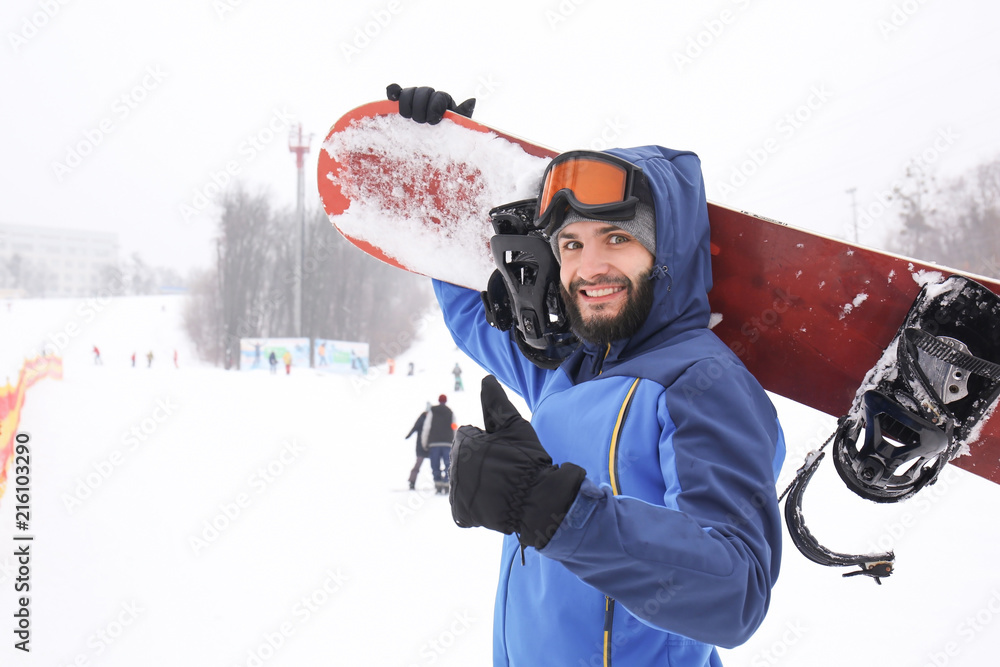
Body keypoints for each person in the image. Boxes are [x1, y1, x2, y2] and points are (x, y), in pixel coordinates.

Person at [391, 85, 786, 665]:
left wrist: (549, 507)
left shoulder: (701, 384)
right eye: (572, 243)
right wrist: (446, 172)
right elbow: (469, 313)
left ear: (667, 253)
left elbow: (735, 593)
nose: (589, 267)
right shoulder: (564, 367)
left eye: (618, 238)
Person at [420, 394, 455, 495]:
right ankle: (446, 483)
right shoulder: (450, 412)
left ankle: (438, 484)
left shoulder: (432, 411)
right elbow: (454, 427)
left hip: (434, 443)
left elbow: (426, 427)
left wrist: (424, 442)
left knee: (435, 464)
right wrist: (454, 441)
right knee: (448, 464)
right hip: (447, 443)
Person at [404, 404, 431, 490]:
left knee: (435, 465)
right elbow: (415, 428)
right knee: (418, 464)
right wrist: (408, 435)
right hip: (421, 446)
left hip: (430, 446)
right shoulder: (422, 419)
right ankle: (412, 481)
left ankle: (440, 481)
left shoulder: (432, 419)